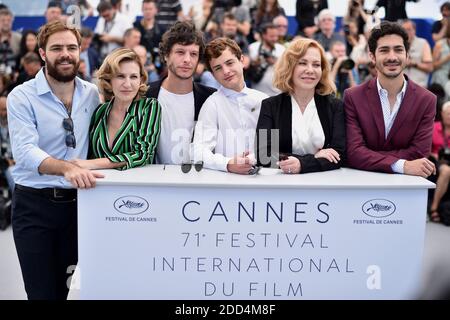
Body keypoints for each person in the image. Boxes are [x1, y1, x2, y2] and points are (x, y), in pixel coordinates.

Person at [6, 20, 102, 300]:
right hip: (34, 206)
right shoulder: (21, 96)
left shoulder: (92, 93)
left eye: (71, 47)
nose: (65, 54)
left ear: (80, 50)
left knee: (69, 290)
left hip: (80, 208)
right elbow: (24, 152)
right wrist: (67, 169)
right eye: (57, 48)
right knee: (41, 293)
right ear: (43, 53)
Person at [345, 21, 436, 177]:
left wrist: (370, 156)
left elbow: (419, 153)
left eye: (398, 50)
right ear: (372, 56)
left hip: (406, 190)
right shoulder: (353, 97)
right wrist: (401, 165)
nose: (392, 57)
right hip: (362, 185)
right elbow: (354, 153)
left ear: (407, 56)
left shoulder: (427, 100)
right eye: (384, 50)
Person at [256, 38, 345, 173]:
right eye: (302, 63)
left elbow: (339, 155)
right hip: (282, 186)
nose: (310, 70)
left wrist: (302, 164)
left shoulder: (334, 106)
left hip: (325, 185)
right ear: (289, 67)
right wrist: (312, 159)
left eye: (316, 65)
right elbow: (264, 155)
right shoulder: (271, 106)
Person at [70, 48, 161, 171]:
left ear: (141, 79)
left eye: (133, 77)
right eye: (120, 76)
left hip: (137, 187)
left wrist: (93, 164)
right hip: (100, 187)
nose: (127, 84)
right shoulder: (100, 112)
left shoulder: (149, 107)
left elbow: (142, 154)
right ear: (109, 80)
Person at [193, 37, 268, 174]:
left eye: (229, 63)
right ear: (213, 75)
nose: (226, 71)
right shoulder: (212, 105)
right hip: (226, 184)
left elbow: (272, 149)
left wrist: (254, 159)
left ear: (242, 60)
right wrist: (227, 163)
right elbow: (198, 152)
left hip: (264, 181)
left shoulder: (264, 101)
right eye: (218, 68)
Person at [147, 21, 216, 165]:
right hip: (153, 181)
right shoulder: (145, 95)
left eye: (193, 54)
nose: (187, 60)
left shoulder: (210, 98)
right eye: (180, 52)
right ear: (166, 55)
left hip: (197, 182)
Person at [429, 101, 450, 223]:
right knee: (446, 171)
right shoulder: (433, 127)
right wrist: (434, 155)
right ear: (442, 114)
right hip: (436, 160)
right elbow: (425, 148)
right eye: (448, 113)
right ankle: (434, 208)